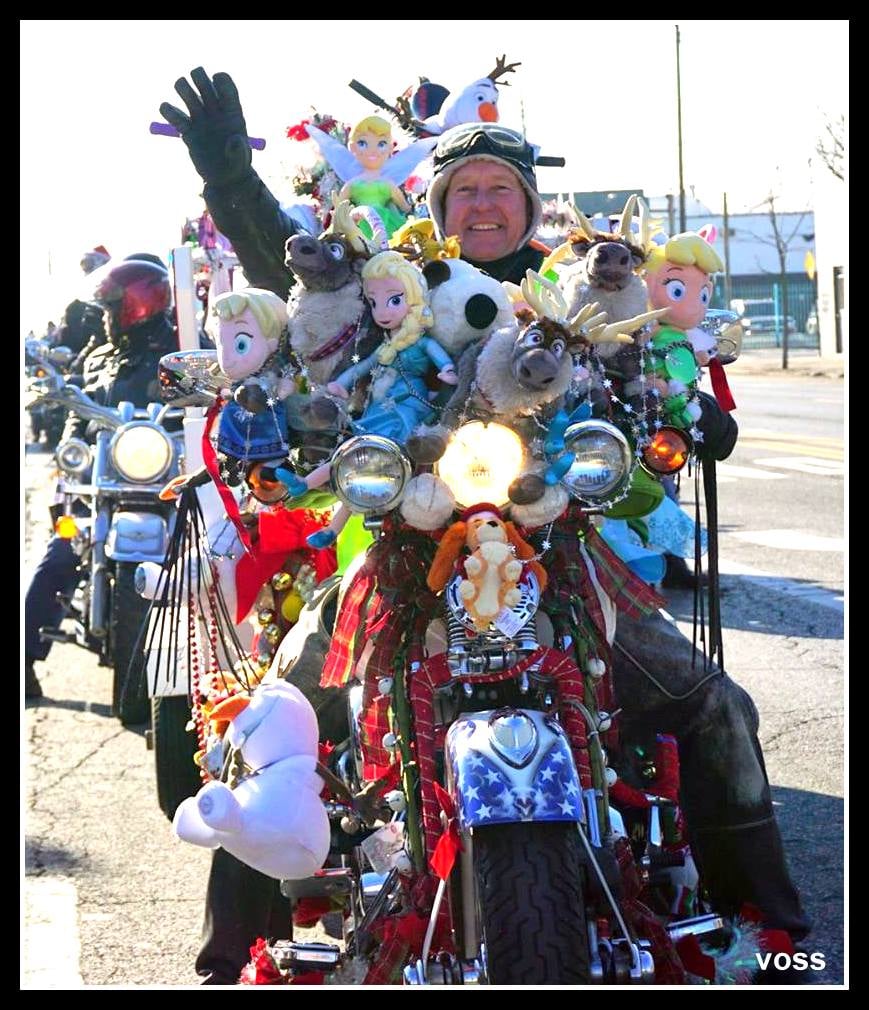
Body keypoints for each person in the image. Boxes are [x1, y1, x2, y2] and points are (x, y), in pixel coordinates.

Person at [159, 69, 809, 983]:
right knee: (274, 714)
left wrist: (687, 414)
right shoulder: (392, 285)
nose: (483, 202)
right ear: (437, 207)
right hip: (402, 555)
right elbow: (288, 265)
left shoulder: (577, 285)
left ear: (530, 207)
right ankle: (235, 953)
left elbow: (658, 356)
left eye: (501, 187)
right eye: (463, 189)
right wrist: (227, 171)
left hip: (558, 556)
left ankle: (771, 930)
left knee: (712, 704)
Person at [24, 258, 177, 699]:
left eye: (111, 310)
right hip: (99, 483)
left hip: (160, 482)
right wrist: (70, 445)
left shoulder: (180, 347)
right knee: (59, 552)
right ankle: (25, 661)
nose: (105, 319)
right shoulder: (100, 355)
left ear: (136, 306)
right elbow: (77, 407)